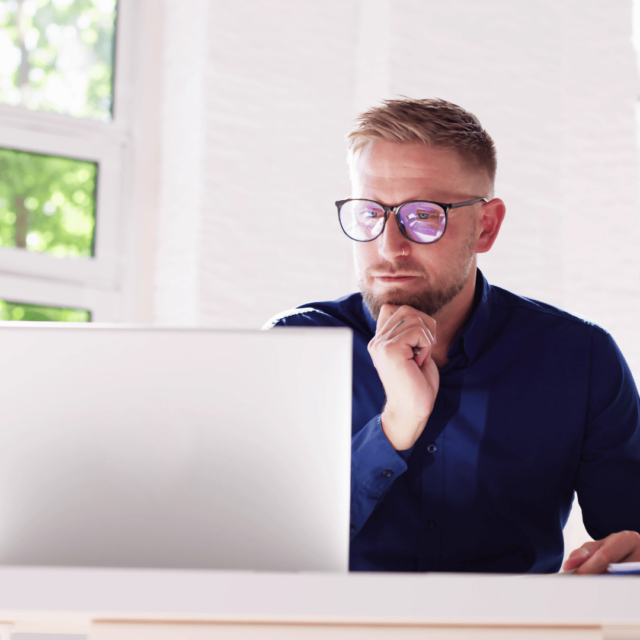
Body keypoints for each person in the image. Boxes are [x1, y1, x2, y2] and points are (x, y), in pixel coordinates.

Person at [265, 98, 640, 574]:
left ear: (486, 225)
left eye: (422, 216)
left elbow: (631, 534)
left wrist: (624, 557)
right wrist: (396, 425)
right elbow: (270, 548)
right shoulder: (293, 348)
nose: (388, 247)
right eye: (369, 213)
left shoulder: (580, 358)